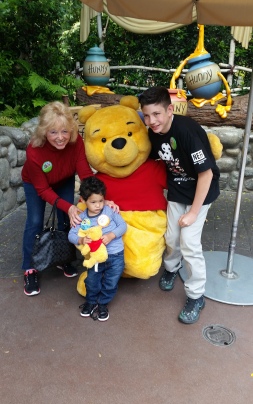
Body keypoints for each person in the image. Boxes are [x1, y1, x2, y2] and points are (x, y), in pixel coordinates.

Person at [139, 86, 220, 324]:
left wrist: (194, 213)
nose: (151, 120)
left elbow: (205, 174)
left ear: (170, 110)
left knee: (189, 242)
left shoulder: (186, 132)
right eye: (147, 115)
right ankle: (172, 268)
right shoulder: (153, 132)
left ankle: (196, 296)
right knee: (172, 236)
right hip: (177, 190)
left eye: (157, 114)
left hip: (201, 192)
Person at [21, 101, 116, 297]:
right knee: (35, 221)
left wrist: (99, 198)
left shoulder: (75, 142)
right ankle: (30, 268)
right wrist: (69, 206)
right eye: (53, 132)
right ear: (44, 131)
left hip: (63, 179)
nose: (60, 137)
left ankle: (64, 257)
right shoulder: (34, 150)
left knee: (68, 219)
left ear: (71, 130)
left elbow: (84, 172)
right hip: (36, 185)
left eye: (64, 131)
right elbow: (43, 189)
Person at [68, 176, 127, 321]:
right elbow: (71, 234)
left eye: (101, 201)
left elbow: (123, 226)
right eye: (93, 202)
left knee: (111, 281)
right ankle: (91, 301)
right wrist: (81, 239)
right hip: (94, 258)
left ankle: (103, 303)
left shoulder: (109, 211)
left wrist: (111, 235)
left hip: (115, 255)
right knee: (92, 281)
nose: (98, 205)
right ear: (84, 200)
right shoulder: (83, 219)